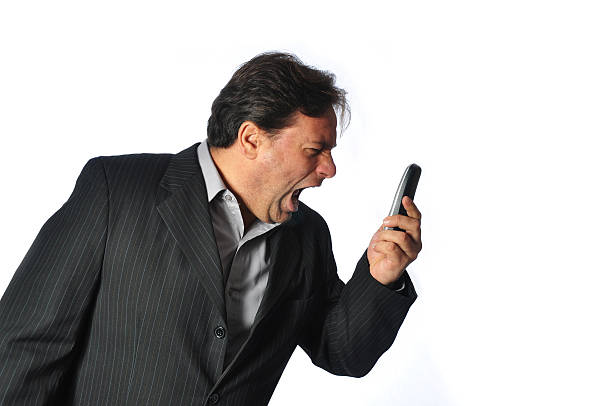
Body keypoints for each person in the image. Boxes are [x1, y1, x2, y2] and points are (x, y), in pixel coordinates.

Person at [0, 52, 422, 405]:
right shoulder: (116, 191)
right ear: (252, 139)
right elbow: (26, 347)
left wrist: (382, 276)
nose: (329, 169)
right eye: (315, 150)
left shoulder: (306, 235)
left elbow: (342, 351)